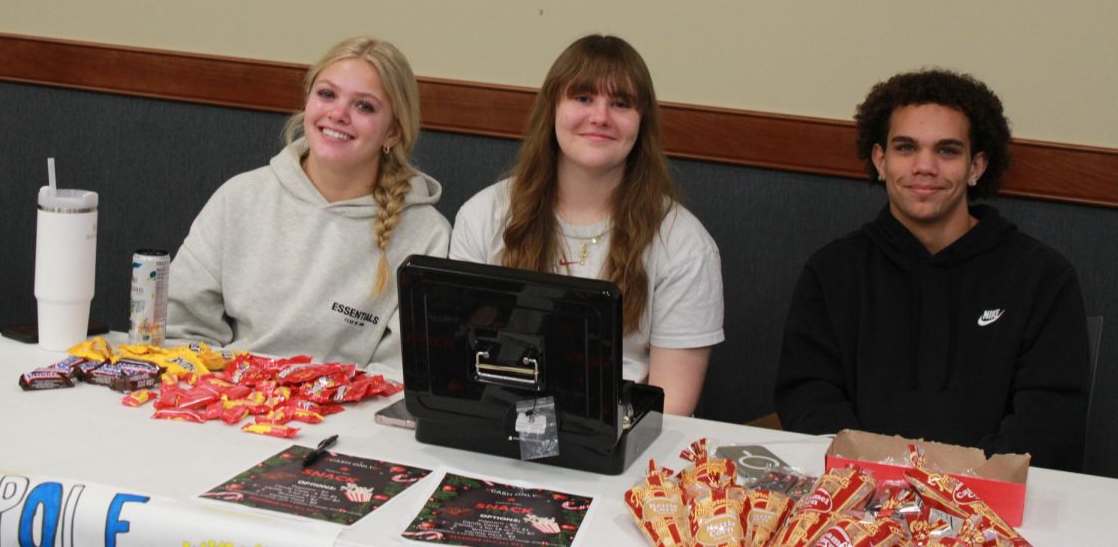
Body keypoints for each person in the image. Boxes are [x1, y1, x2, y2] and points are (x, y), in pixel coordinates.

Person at [774, 68, 1089, 471]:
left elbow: (1050, 421)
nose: (925, 166)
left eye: (947, 151)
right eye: (905, 148)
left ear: (976, 166)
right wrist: (877, 479)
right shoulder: (833, 271)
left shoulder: (1043, 277)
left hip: (994, 508)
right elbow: (808, 396)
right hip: (857, 499)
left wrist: (960, 487)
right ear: (880, 160)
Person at [449, 34, 724, 416]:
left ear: (641, 123)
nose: (600, 117)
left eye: (621, 103)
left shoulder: (685, 245)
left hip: (622, 444)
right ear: (552, 109)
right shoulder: (483, 215)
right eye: (582, 98)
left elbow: (671, 411)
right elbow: (460, 367)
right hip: (497, 426)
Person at [167, 36, 450, 375]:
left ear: (392, 133)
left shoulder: (428, 235)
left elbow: (401, 374)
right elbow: (178, 328)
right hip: (230, 407)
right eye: (327, 94)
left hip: (348, 420)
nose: (338, 114)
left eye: (364, 106)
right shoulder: (239, 198)